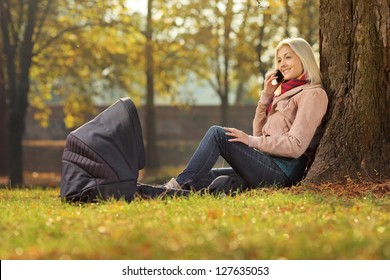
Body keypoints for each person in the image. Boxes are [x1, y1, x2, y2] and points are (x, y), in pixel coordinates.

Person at [164, 37, 328, 193]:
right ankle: (170, 189)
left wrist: (249, 141)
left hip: (282, 172)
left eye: (288, 58)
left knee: (218, 134)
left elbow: (295, 146)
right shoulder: (283, 94)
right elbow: (259, 134)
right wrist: (266, 96)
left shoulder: (313, 94)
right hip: (265, 163)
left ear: (303, 58)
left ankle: (174, 189)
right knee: (201, 176)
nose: (282, 64)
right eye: (279, 60)